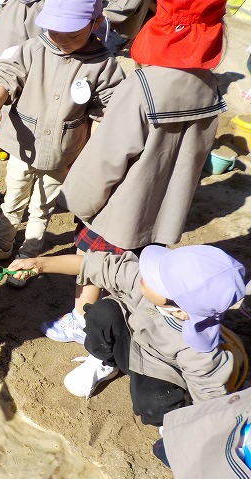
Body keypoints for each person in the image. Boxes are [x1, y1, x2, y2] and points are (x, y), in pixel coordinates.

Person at [42, 0, 229, 344]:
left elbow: (107, 157)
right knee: (138, 264)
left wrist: (78, 201)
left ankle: (82, 316)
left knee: (92, 258)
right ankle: (127, 313)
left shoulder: (144, 86)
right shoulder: (209, 86)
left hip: (122, 204)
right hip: (165, 205)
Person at [10, 244, 247, 429]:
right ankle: (105, 361)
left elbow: (210, 401)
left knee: (155, 406)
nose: (146, 274)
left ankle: (168, 422)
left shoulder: (197, 351)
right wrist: (39, 264)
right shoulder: (140, 280)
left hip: (157, 367)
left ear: (181, 310)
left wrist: (200, 431)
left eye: (157, 278)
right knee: (102, 313)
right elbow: (93, 265)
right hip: (128, 334)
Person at [0, 0, 125, 288]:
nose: (63, 42)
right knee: (13, 197)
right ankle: (3, 242)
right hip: (23, 144)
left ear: (94, 24)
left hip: (63, 152)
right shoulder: (34, 49)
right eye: (57, 33)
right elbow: (7, 74)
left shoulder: (103, 64)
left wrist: (90, 153)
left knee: (42, 205)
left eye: (73, 35)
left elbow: (105, 110)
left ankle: (29, 255)